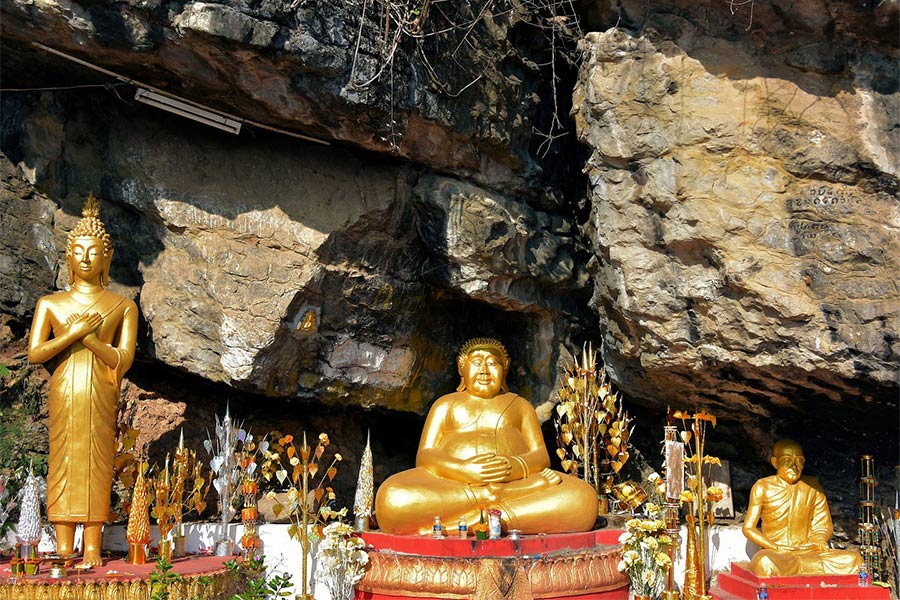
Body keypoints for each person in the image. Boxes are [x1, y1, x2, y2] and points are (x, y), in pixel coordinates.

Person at [375, 338, 598, 535]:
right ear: (462, 370)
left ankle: (476, 521)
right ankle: (490, 502)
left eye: (492, 363)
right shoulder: (445, 404)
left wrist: (515, 466)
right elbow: (425, 456)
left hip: (517, 481)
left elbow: (541, 457)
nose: (484, 370)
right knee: (392, 498)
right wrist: (463, 470)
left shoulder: (520, 405)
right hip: (455, 486)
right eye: (477, 363)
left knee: (583, 498)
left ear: (504, 371)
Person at [28, 194, 138, 566]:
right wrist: (72, 335)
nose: (86, 258)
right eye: (79, 251)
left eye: (94, 252)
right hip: (64, 392)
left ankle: (92, 545)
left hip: (100, 391)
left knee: (96, 459)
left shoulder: (122, 305)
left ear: (107, 258)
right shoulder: (50, 303)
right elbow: (35, 354)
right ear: (69, 257)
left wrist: (90, 339)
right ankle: (62, 543)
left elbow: (123, 360)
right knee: (63, 458)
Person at [742, 439, 862, 576]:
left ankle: (804, 569)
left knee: (854, 560)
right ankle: (807, 570)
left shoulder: (812, 486)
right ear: (774, 462)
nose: (794, 466)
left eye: (799, 461)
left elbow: (823, 525)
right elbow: (748, 528)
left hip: (808, 551)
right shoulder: (762, 486)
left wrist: (818, 540)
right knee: (764, 563)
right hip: (778, 553)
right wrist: (775, 546)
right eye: (787, 460)